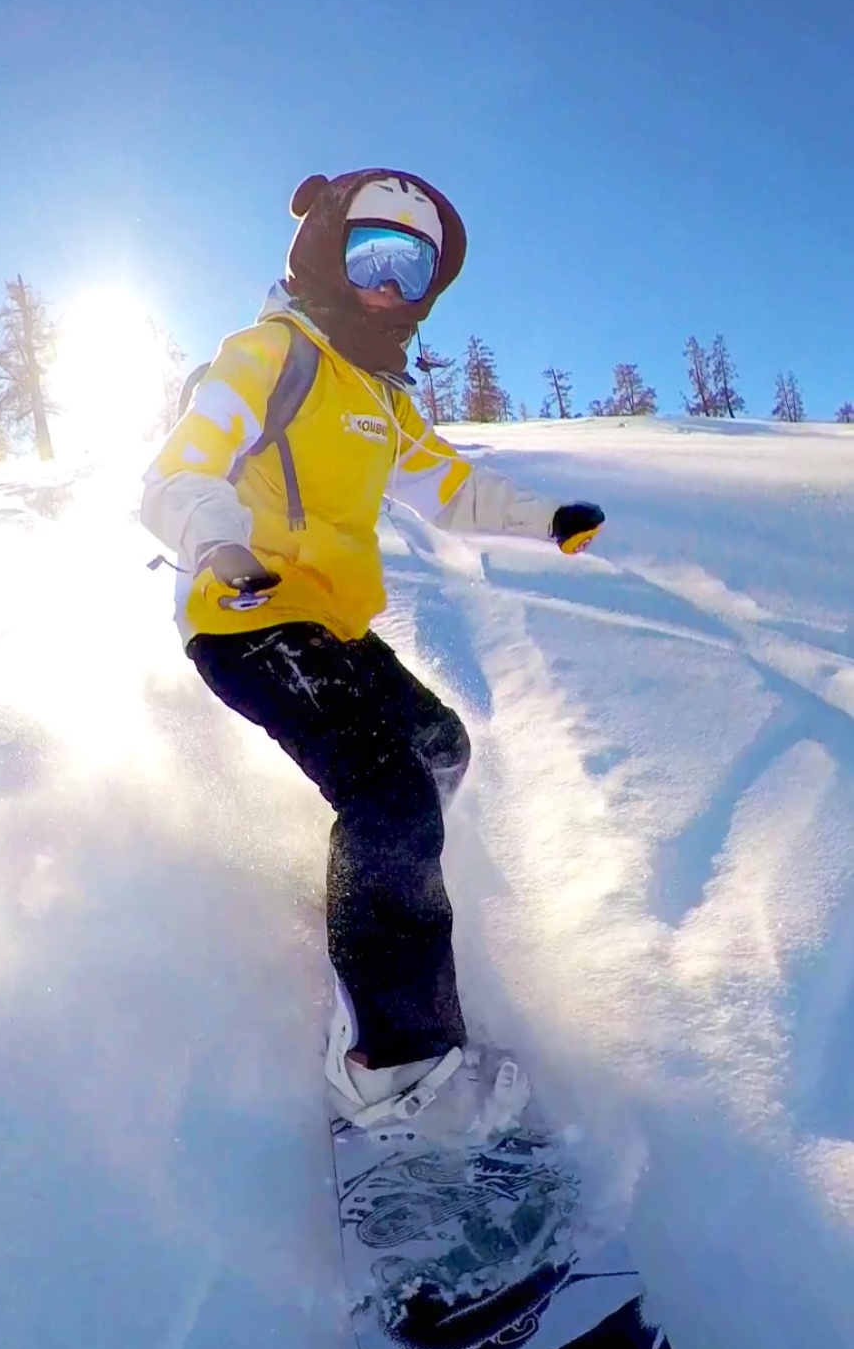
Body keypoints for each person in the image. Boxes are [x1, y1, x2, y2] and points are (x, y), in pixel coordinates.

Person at [141, 169, 604, 1137]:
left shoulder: (380, 397)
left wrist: (544, 517)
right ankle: (393, 1070)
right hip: (246, 614)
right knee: (387, 793)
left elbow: (450, 487)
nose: (387, 288)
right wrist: (218, 542)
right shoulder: (273, 353)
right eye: (369, 258)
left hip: (329, 626)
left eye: (410, 267)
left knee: (437, 747)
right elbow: (183, 464)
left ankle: (362, 903)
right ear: (321, 254)